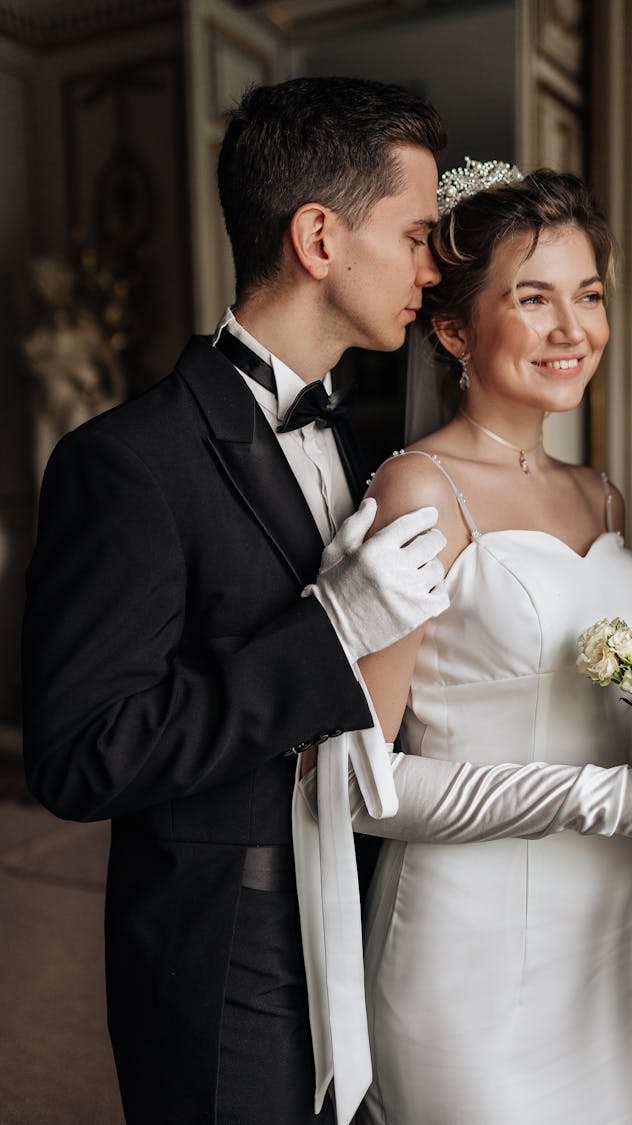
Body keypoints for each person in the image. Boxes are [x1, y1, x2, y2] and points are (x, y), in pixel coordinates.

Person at [20, 76, 452, 1125]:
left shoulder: (356, 450)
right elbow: (82, 756)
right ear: (318, 238)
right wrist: (329, 630)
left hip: (362, 910)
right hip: (226, 952)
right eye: (417, 236)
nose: (433, 271)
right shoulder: (123, 462)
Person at [297, 162, 632, 1124]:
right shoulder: (417, 493)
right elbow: (360, 784)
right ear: (454, 330)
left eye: (588, 296)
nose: (572, 329)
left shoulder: (600, 494)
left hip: (607, 936)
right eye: (533, 298)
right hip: (470, 944)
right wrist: (608, 795)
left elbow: (591, 715)